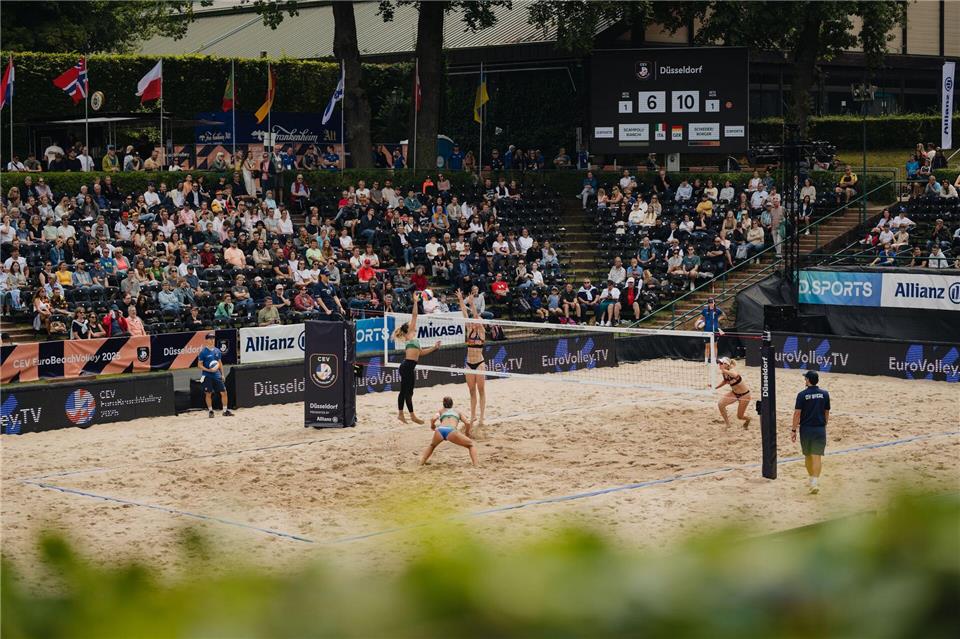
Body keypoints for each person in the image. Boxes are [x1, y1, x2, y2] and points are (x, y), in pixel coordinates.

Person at [393, 292, 441, 424]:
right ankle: (402, 414)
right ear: (408, 328)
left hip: (410, 367)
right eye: (410, 324)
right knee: (404, 391)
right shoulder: (409, 334)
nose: (413, 324)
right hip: (406, 366)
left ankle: (410, 415)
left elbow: (421, 353)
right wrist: (415, 301)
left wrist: (434, 347)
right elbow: (414, 315)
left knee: (409, 392)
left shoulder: (414, 338)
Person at [792, 370, 830, 494]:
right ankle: (814, 481)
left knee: (808, 456)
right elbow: (826, 412)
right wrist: (824, 425)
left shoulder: (802, 395)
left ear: (808, 380)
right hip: (819, 429)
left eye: (805, 378)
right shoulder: (825, 394)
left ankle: (812, 480)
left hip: (806, 429)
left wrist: (793, 430)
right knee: (817, 456)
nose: (804, 380)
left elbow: (797, 414)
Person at [456, 290, 486, 431]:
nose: (475, 321)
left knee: (481, 390)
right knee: (472, 391)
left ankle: (481, 417)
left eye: (478, 320)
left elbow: (474, 315)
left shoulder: (482, 332)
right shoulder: (469, 329)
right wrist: (461, 299)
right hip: (469, 363)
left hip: (479, 363)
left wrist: (472, 303)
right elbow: (464, 313)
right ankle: (473, 415)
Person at [419, 397, 479, 467]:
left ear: (443, 404)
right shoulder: (458, 412)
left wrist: (432, 426)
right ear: (452, 404)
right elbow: (467, 423)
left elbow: (433, 418)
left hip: (440, 430)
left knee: (432, 446)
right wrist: (467, 432)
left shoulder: (441, 411)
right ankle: (476, 465)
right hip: (451, 431)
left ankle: (421, 463)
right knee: (471, 445)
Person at [198, 332, 234, 418]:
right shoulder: (203, 352)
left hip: (217, 375)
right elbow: (199, 365)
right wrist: (208, 370)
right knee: (208, 394)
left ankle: (225, 411)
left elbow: (220, 363)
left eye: (213, 338)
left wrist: (222, 374)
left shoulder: (217, 351)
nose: (212, 340)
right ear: (206, 340)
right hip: (207, 375)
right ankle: (210, 411)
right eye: (210, 338)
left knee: (224, 392)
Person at [715, 357, 751, 429]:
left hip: (745, 395)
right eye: (719, 363)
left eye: (721, 363)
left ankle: (748, 419)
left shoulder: (731, 370)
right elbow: (725, 381)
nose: (719, 365)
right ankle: (728, 424)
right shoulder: (724, 373)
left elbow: (735, 375)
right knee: (720, 404)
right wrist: (715, 387)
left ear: (727, 364)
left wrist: (724, 370)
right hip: (734, 393)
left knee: (740, 417)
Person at [698, 297, 724, 364]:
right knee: (707, 346)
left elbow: (723, 315)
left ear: (714, 303)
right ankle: (706, 361)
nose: (711, 304)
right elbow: (700, 317)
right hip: (707, 330)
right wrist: (697, 322)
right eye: (709, 303)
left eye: (712, 303)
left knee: (715, 346)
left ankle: (714, 361)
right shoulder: (705, 310)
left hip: (715, 330)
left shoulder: (717, 310)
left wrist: (717, 320)